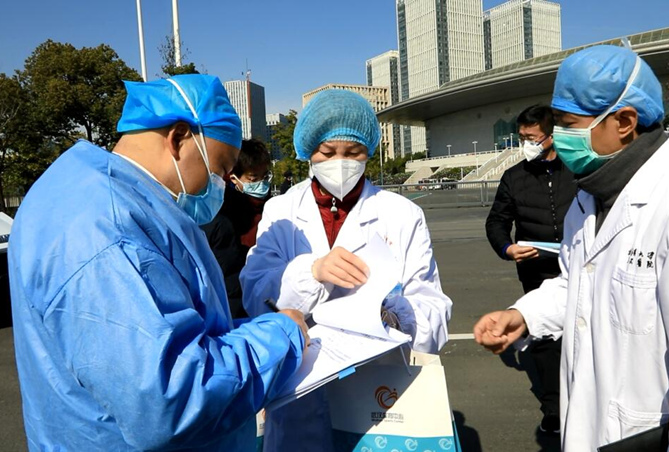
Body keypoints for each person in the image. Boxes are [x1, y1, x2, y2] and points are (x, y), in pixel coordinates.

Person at [9, 74, 309, 451]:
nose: (220, 186)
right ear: (179, 138)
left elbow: (169, 331)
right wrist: (282, 335)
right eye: (220, 170)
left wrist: (249, 329)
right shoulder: (106, 228)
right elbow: (168, 401)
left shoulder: (87, 192)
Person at [474, 45, 669, 450]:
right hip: (590, 426)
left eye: (568, 124)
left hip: (649, 435)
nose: (561, 138)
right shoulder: (589, 197)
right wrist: (524, 314)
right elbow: (577, 283)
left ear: (624, 121)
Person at [240, 89, 452, 451]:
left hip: (378, 389)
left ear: (369, 151)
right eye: (327, 153)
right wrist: (312, 272)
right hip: (299, 392)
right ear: (309, 151)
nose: (340, 163)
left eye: (353, 153)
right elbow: (255, 294)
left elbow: (433, 306)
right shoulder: (282, 210)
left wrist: (397, 317)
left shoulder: (402, 214)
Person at [484, 104, 576, 434]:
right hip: (536, 269)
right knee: (545, 338)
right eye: (522, 137)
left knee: (584, 333)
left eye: (532, 137)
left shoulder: (576, 171)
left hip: (580, 267)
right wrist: (507, 248)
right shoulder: (514, 177)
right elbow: (496, 222)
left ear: (551, 136)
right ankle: (554, 407)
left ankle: (586, 398)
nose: (526, 144)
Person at [202, 138, 272, 318]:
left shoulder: (274, 207)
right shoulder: (223, 214)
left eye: (265, 177)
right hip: (237, 305)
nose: (261, 183)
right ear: (234, 178)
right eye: (253, 178)